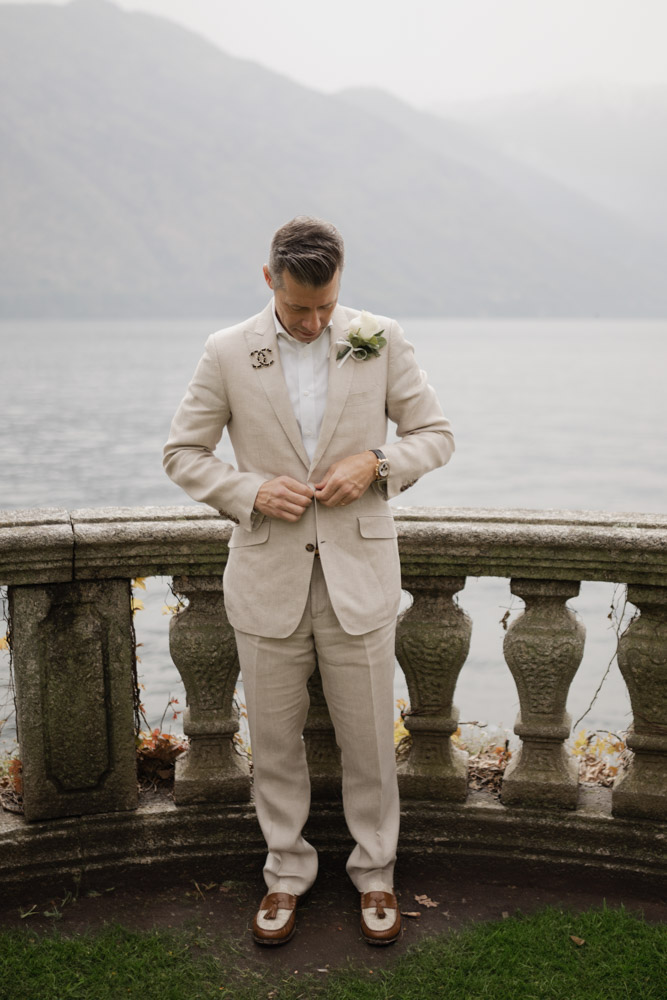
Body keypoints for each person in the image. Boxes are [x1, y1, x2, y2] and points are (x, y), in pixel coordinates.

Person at [163, 216, 454, 946]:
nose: (315, 321)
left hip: (361, 573)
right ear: (270, 281)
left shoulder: (378, 337)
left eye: (325, 306)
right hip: (266, 577)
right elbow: (183, 452)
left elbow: (435, 435)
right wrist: (249, 491)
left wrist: (377, 464)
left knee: (368, 742)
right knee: (275, 741)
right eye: (299, 309)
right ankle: (285, 873)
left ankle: (376, 870)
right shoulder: (226, 351)